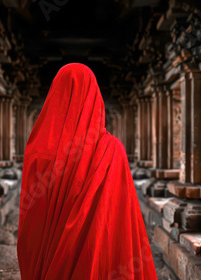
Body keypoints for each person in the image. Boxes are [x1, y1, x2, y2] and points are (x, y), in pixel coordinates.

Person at [17, 63, 157, 279]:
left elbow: (31, 225)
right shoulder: (112, 150)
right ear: (95, 97)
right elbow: (121, 223)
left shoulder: (37, 152)